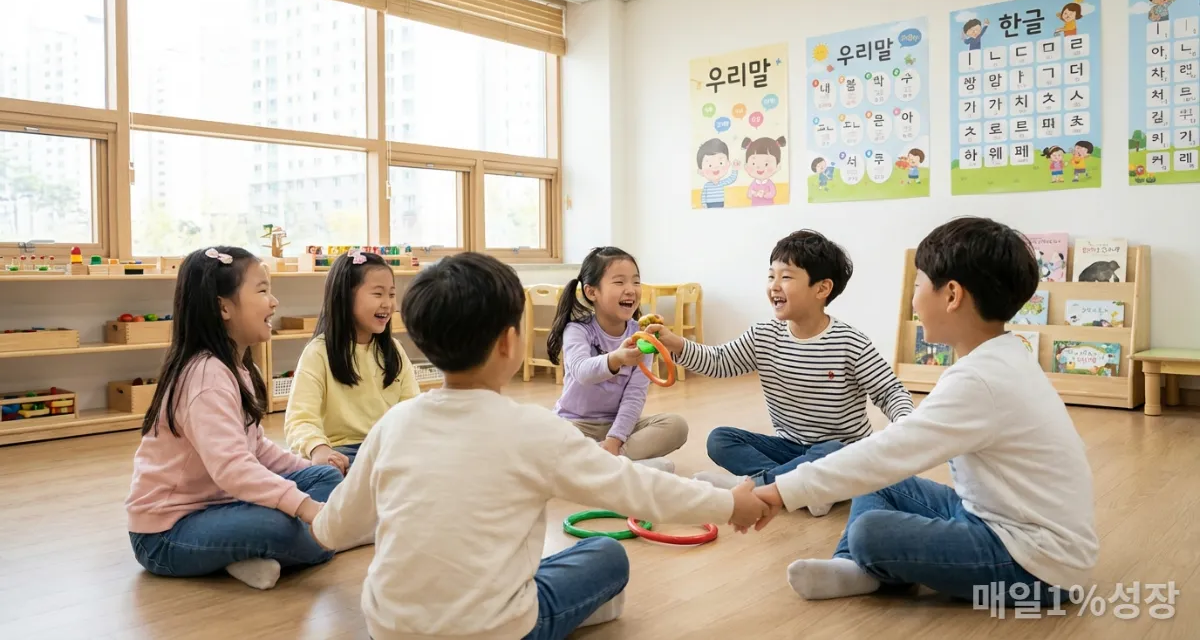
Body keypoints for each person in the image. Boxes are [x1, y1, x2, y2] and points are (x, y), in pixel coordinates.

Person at [310, 252, 770, 640]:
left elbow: (331, 530)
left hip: (388, 627)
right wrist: (729, 504)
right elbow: (637, 490)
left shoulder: (394, 424)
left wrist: (298, 504)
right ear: (509, 342)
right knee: (606, 556)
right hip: (494, 629)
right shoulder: (532, 429)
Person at [752, 217, 1098, 607]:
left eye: (917, 285)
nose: (913, 299)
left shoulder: (980, 380)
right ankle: (860, 570)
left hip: (1036, 564)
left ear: (951, 295)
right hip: (992, 517)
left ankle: (869, 563)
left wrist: (779, 492)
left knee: (871, 530)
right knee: (877, 482)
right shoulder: (1001, 356)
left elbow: (891, 450)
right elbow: (885, 461)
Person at [649, 230, 912, 516]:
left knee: (833, 450)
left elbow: (890, 391)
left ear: (822, 289)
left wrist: (905, 425)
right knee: (719, 439)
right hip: (790, 448)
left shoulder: (849, 342)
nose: (774, 285)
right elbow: (719, 361)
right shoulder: (764, 335)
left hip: (838, 456)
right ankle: (801, 489)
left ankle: (755, 487)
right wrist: (675, 343)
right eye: (771, 276)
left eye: (786, 277)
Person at [125, 246, 342, 590]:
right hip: (167, 534)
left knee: (326, 479)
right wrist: (305, 508)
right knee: (283, 527)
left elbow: (256, 449)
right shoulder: (205, 376)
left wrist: (312, 473)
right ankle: (320, 538)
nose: (274, 302)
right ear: (223, 306)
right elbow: (234, 468)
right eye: (262, 290)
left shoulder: (238, 367)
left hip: (224, 503)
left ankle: (245, 555)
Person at [545, 246, 686, 471]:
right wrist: (616, 359)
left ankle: (607, 462)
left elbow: (634, 396)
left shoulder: (642, 335)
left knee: (676, 426)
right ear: (592, 292)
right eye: (619, 282)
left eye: (636, 282)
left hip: (619, 428)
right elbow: (582, 371)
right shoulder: (577, 330)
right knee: (542, 437)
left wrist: (615, 439)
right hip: (575, 423)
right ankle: (628, 467)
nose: (630, 290)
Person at [285, 249, 420, 472]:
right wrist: (319, 449)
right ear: (346, 297)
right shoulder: (319, 353)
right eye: (378, 294)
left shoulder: (394, 350)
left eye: (392, 294)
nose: (388, 304)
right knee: (325, 477)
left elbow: (412, 411)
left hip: (386, 450)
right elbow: (300, 420)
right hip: (340, 453)